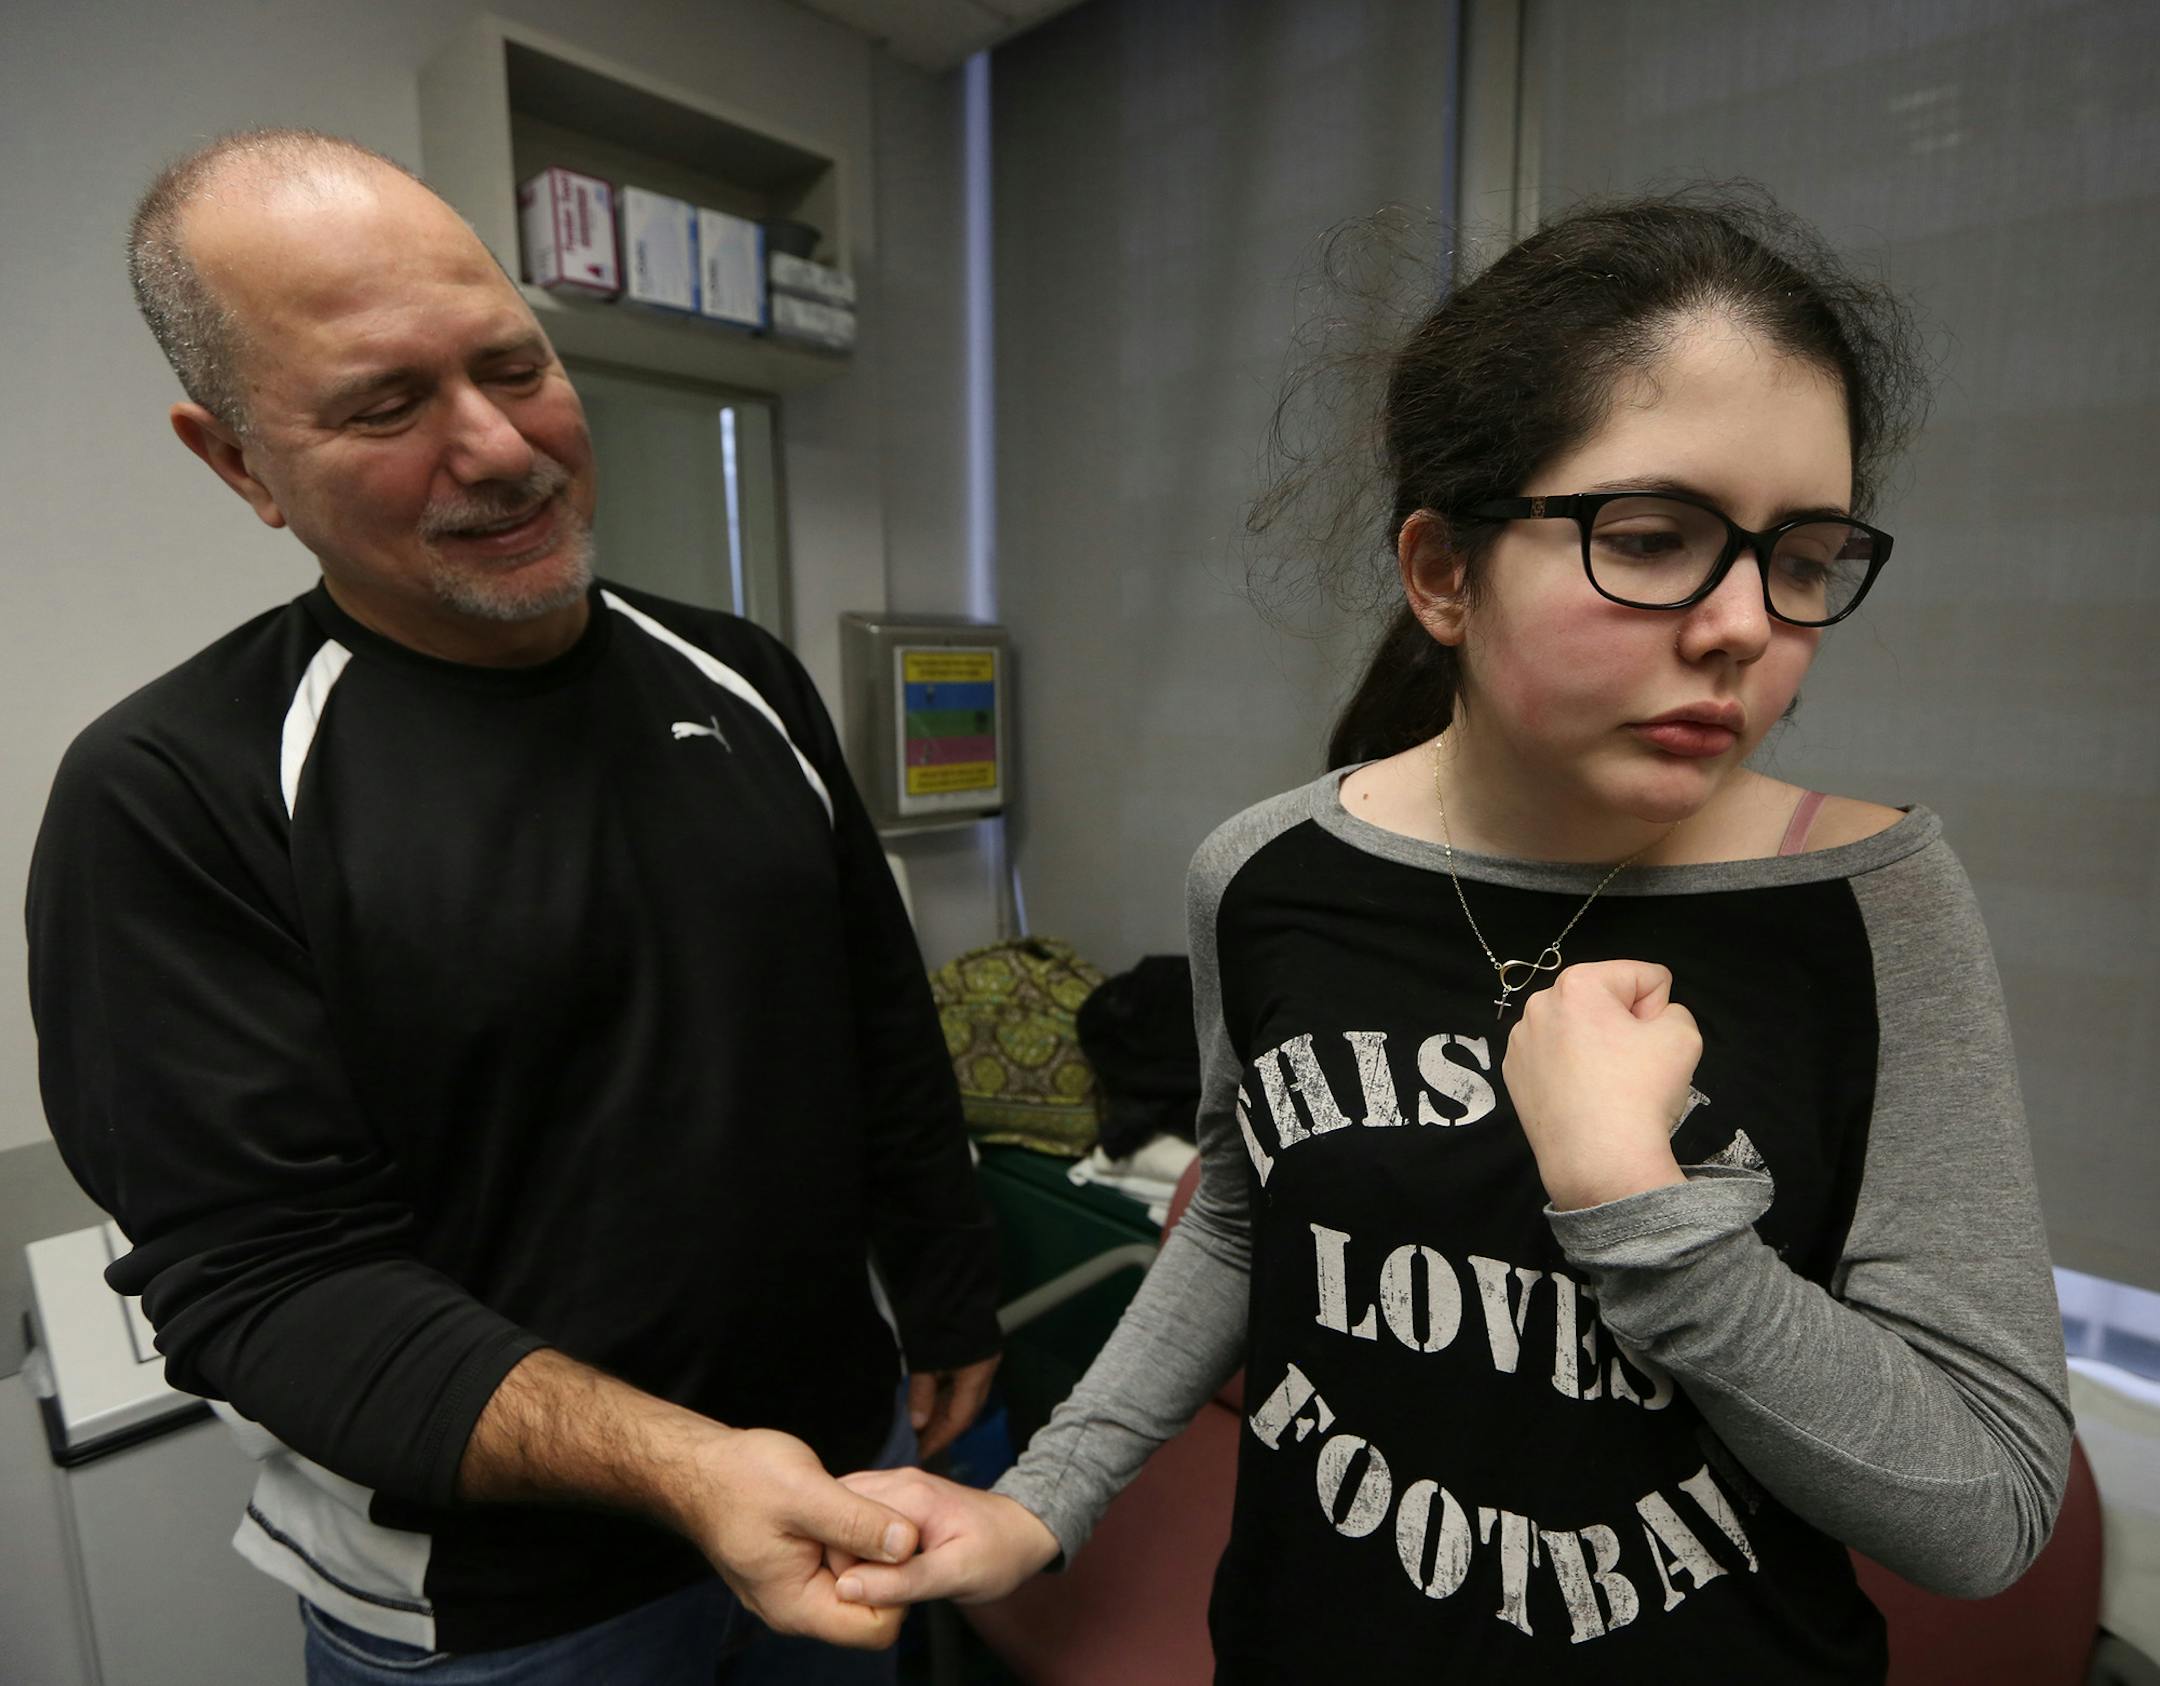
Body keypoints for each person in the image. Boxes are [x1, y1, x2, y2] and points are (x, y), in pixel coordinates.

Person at [827, 191, 2073, 1682]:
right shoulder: (1267, 871)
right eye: (1656, 534)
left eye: (1800, 556)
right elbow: (1239, 1216)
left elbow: (1989, 1507)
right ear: (1443, 573)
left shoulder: (1876, 904)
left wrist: (1644, 1214)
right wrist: (1046, 1497)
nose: (1746, 622)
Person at [25, 128, 1001, 1682]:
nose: (499, 446)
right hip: (507, 1618)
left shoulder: (740, 676)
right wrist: (693, 1468)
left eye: (513, 362)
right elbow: (269, 1284)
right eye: (386, 405)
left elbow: (873, 1012)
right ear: (235, 462)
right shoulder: (174, 791)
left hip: (844, 1488)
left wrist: (951, 1296)